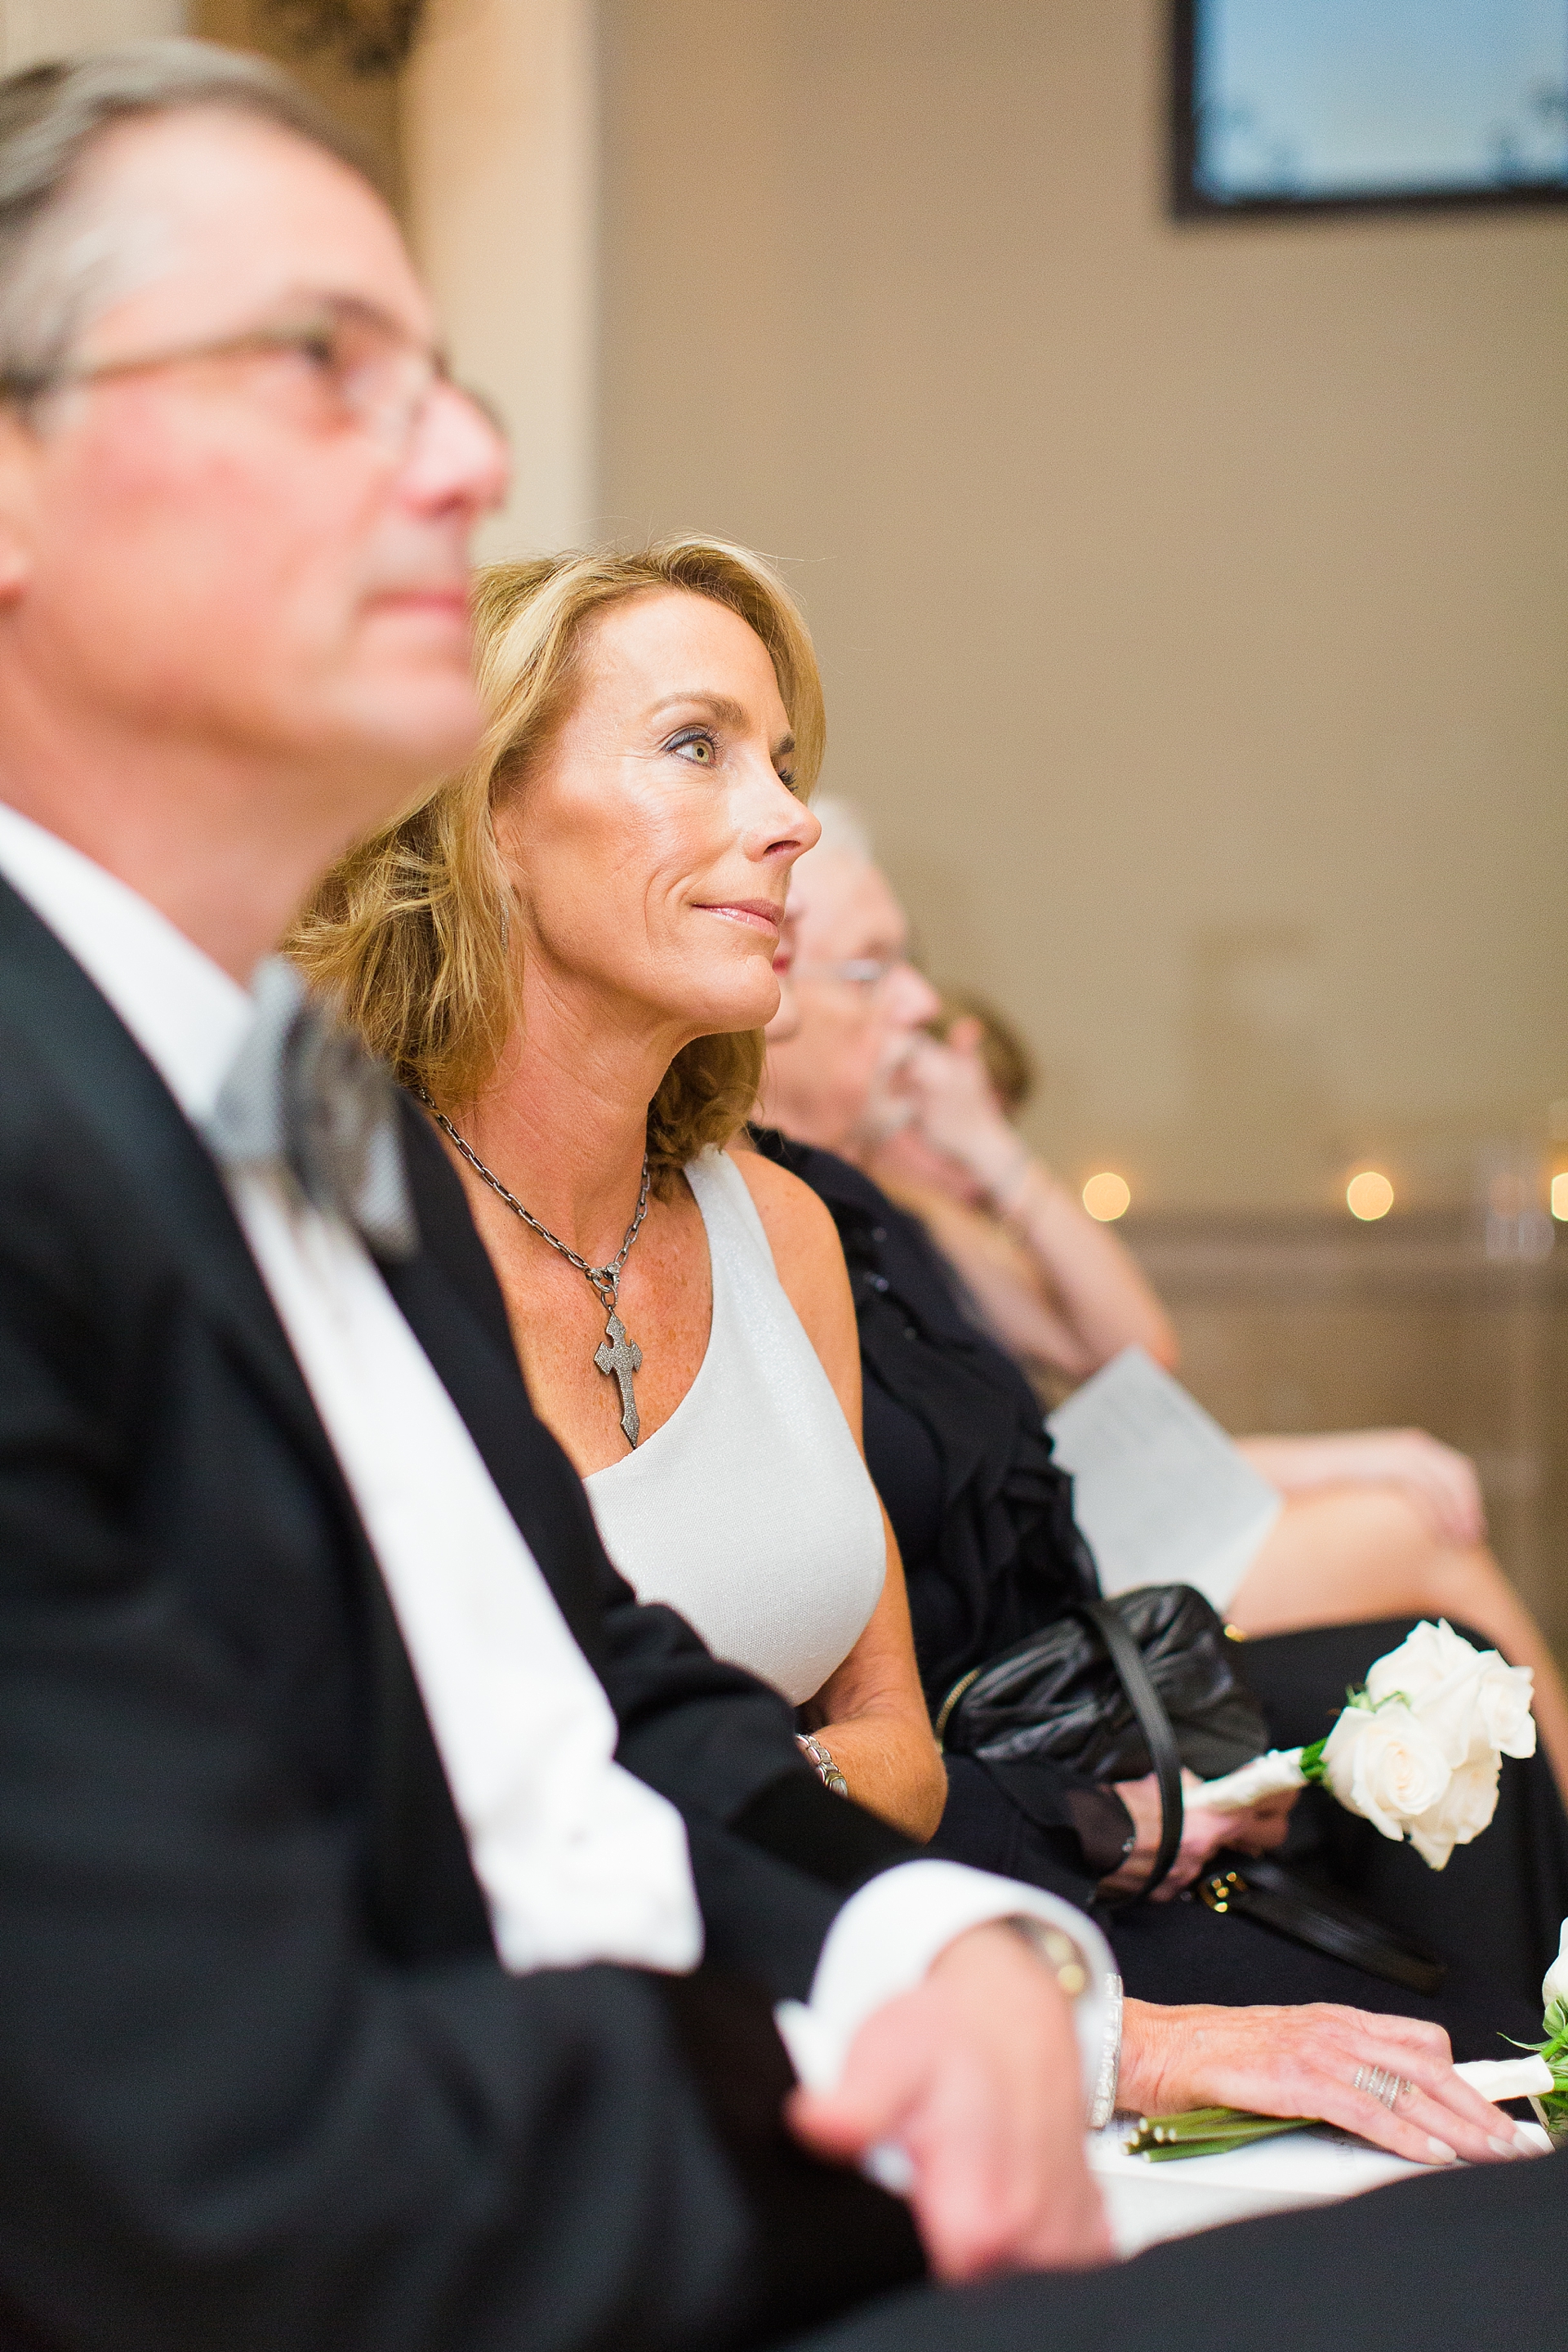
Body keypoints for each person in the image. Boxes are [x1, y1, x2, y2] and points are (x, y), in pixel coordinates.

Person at [0, 39, 1559, 2352]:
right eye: (322, 364)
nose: (468, 456)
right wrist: (908, 2114)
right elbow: (217, 2157)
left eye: (441, 375)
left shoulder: (281, 1106)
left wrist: (960, 1957)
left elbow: (621, 1700)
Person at [299, 539, 1548, 2096]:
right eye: (698, 747)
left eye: (783, 761)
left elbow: (894, 1735)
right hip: (561, 2069)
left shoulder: (789, 1233)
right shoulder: (345, 1255)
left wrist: (744, 1801)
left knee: (1463, 2039)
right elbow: (442, 1827)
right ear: (484, 817)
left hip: (848, 1952)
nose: (788, 819)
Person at [764, 804, 1568, 1802]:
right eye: (875, 968)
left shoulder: (905, 1211)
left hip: (1087, 1527)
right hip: (1058, 1579)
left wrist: (992, 1154)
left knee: (1415, 1536)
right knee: (1416, 1534)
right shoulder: (802, 1216)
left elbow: (1129, 1349)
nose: (917, 1007)